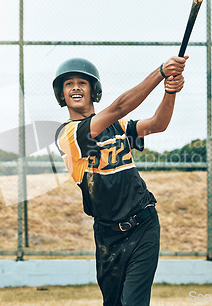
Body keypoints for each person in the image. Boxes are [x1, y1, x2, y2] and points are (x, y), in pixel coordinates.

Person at [53, 56, 188, 306]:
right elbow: (119, 107)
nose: (75, 87)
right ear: (61, 94)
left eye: (82, 82)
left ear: (94, 91)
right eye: (68, 84)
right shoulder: (67, 134)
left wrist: (170, 92)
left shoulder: (118, 126)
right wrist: (159, 72)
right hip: (107, 237)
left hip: (143, 224)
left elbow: (157, 124)